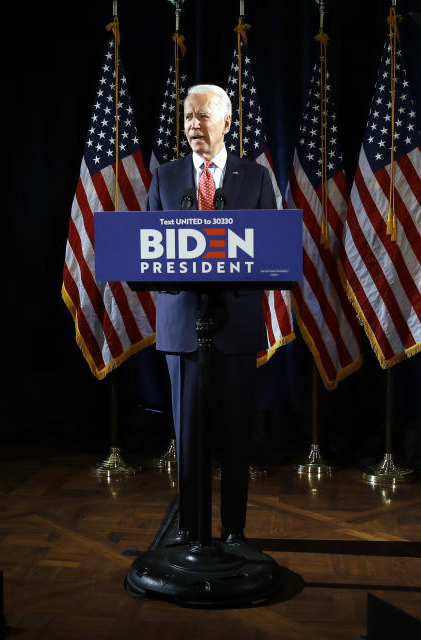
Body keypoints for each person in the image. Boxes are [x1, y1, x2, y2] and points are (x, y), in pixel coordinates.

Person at [146, 84, 276, 546]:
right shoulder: (165, 177)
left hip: (236, 323)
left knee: (237, 433)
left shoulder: (255, 177)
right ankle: (190, 529)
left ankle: (235, 531)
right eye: (187, 117)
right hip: (182, 324)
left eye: (202, 117)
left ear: (226, 122)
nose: (193, 126)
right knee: (188, 434)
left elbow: (271, 248)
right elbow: (148, 253)